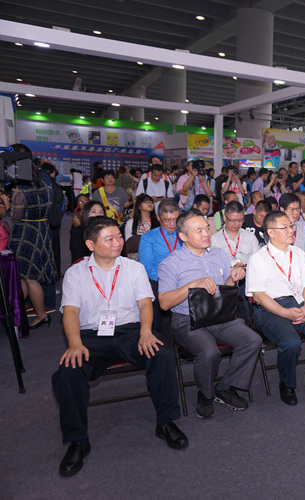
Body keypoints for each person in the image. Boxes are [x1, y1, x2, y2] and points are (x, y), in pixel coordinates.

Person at [52, 216, 187, 477]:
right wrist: (75, 343)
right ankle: (78, 440)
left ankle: (166, 422)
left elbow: (145, 304)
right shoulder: (76, 273)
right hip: (91, 335)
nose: (118, 243)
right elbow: (70, 312)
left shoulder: (133, 268)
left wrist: (146, 331)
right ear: (91, 244)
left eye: (119, 237)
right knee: (67, 372)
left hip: (129, 331)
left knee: (163, 354)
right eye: (109, 238)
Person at [159, 210, 262, 418]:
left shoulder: (218, 254)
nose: (207, 233)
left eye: (207, 228)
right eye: (199, 230)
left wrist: (234, 278)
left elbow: (223, 288)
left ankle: (225, 388)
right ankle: (205, 394)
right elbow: (164, 303)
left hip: (218, 313)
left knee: (253, 340)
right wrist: (192, 285)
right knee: (209, 352)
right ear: (183, 236)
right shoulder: (171, 263)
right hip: (187, 319)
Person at [246, 210, 305, 405]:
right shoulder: (258, 258)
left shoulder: (298, 254)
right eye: (286, 227)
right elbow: (259, 295)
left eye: (291, 226)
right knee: (291, 343)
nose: (292, 230)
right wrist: (285, 313)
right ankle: (287, 384)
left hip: (300, 304)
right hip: (270, 308)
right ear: (271, 232)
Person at [8, 161, 57, 328]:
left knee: (30, 278)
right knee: (24, 277)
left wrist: (5, 201)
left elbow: (15, 216)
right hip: (42, 230)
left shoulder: (20, 189)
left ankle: (41, 315)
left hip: (25, 233)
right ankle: (15, 312)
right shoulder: (45, 184)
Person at [138, 200, 181, 334]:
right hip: (158, 280)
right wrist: (167, 281)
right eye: (166, 220)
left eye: (175, 219)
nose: (172, 224)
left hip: (184, 278)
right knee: (152, 291)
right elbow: (147, 266)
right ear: (158, 217)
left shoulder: (186, 234)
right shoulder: (148, 237)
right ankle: (159, 336)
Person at [211, 201, 260, 268]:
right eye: (233, 220)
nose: (237, 224)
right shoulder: (214, 239)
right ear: (225, 218)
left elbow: (257, 259)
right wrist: (231, 266)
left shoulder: (250, 236)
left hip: (248, 273)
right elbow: (213, 264)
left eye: (240, 220)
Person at [279, 193, 305, 267]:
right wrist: (290, 225)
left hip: (302, 270)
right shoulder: (276, 227)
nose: (296, 213)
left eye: (298, 209)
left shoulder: (302, 226)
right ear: (282, 210)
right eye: (292, 209)